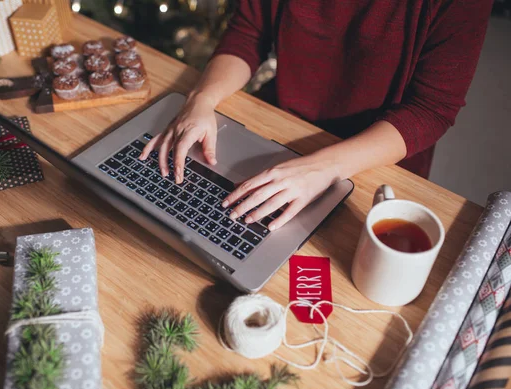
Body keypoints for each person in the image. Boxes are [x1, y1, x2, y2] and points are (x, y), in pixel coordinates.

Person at [140, 0, 492, 231]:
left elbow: (431, 110)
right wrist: (202, 100)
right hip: (282, 122)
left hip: (381, 155)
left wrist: (323, 167)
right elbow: (248, 35)